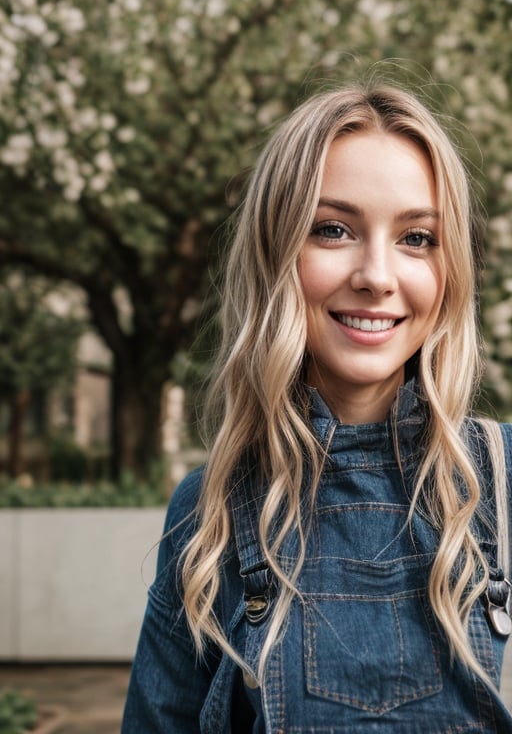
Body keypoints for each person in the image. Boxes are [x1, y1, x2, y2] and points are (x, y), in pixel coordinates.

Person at [121, 82, 512, 733]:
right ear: (276, 255)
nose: (377, 275)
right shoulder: (208, 512)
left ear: (451, 272)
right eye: (333, 230)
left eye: (417, 238)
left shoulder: (505, 482)